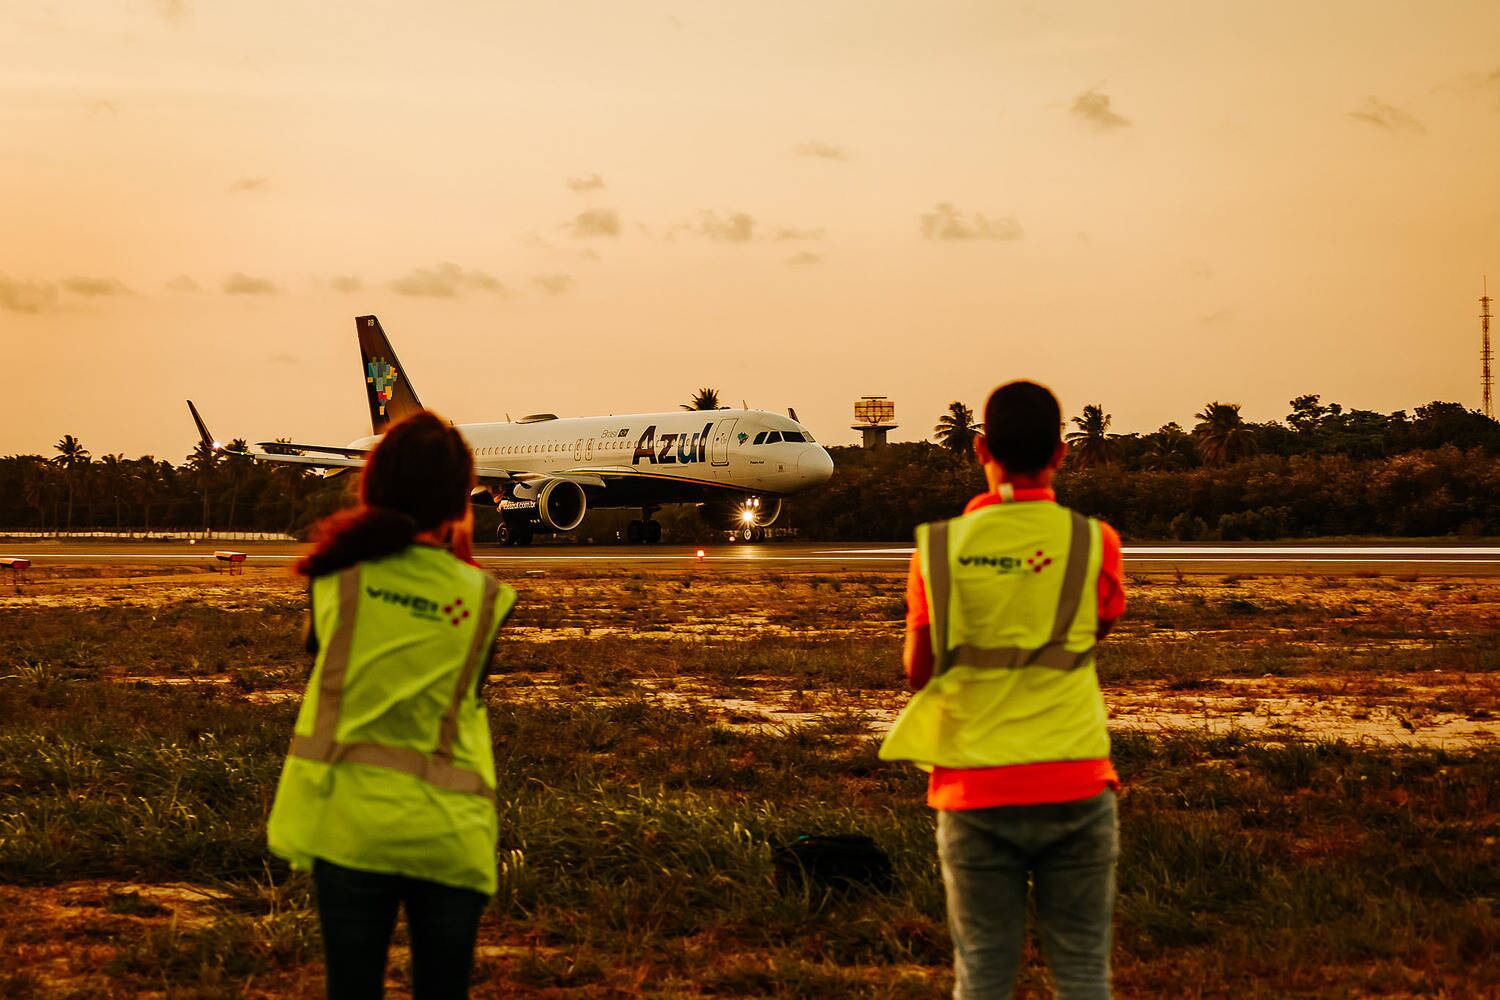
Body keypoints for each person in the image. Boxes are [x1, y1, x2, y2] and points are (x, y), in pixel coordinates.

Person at [880, 380, 1126, 999]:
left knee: (983, 971)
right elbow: (1092, 627)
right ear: (1063, 452)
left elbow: (919, 671)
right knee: (1082, 969)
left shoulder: (938, 547)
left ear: (979, 447)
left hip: (975, 786)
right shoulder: (1096, 541)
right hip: (1074, 775)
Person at [267, 410, 516, 1000]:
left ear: (373, 486)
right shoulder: (482, 597)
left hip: (349, 825)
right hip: (451, 832)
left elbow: (327, 656)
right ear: (462, 499)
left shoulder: (336, 575)